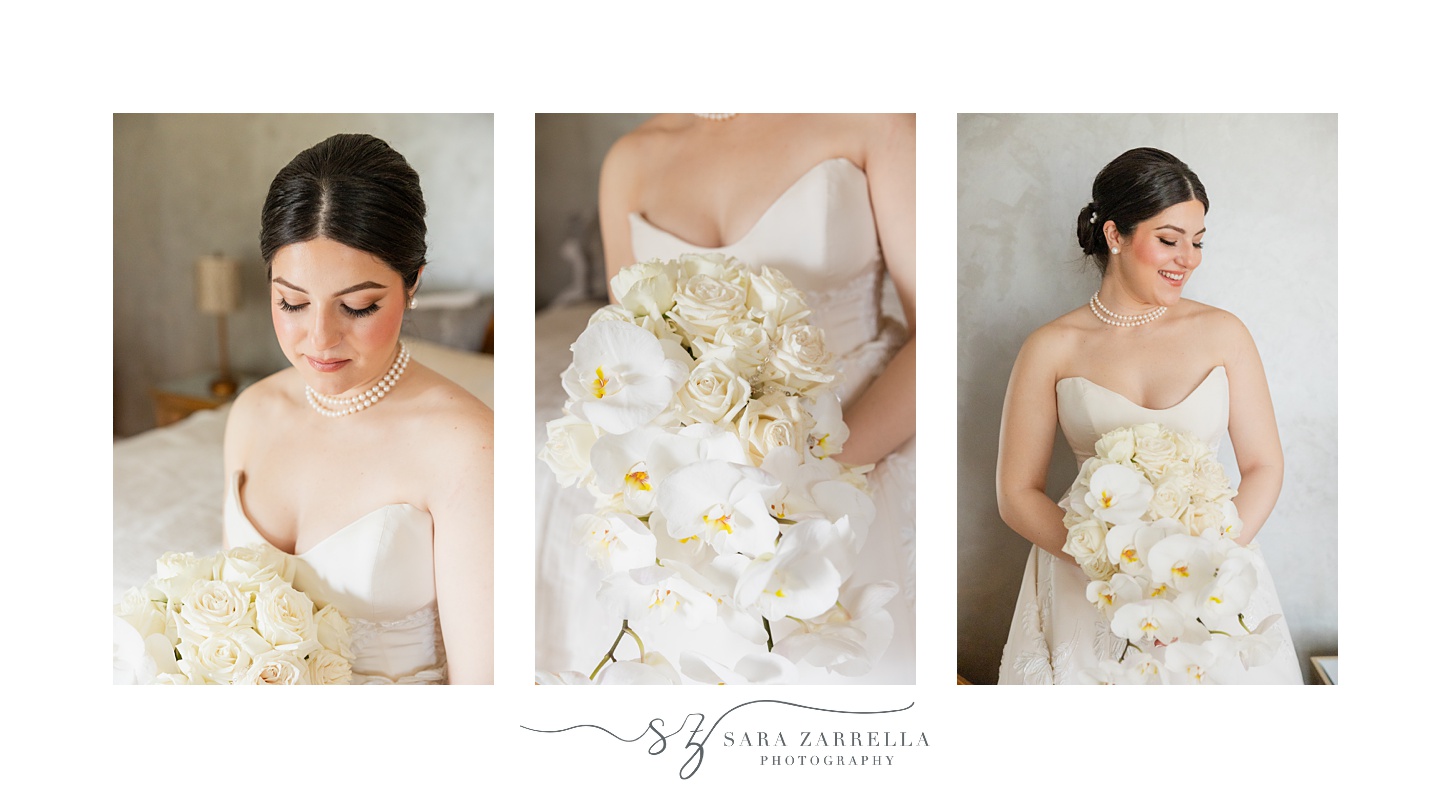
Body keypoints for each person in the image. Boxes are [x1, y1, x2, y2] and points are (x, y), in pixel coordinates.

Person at [536, 113, 916, 683]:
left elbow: (939, 332)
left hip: (855, 432)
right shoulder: (631, 161)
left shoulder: (874, 120)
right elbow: (625, 350)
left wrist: (808, 481)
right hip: (696, 468)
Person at [995, 147, 1301, 684]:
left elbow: (1263, 467)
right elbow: (1016, 493)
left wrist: (1202, 573)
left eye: (1198, 241)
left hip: (1210, 573)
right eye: (1168, 239)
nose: (1189, 258)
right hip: (1086, 576)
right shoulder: (1050, 347)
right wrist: (1118, 572)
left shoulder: (1224, 333)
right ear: (1115, 235)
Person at [223, 133, 493, 684]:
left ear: (412, 284)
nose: (320, 339)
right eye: (292, 303)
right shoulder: (251, 412)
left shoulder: (469, 445)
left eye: (358, 306)